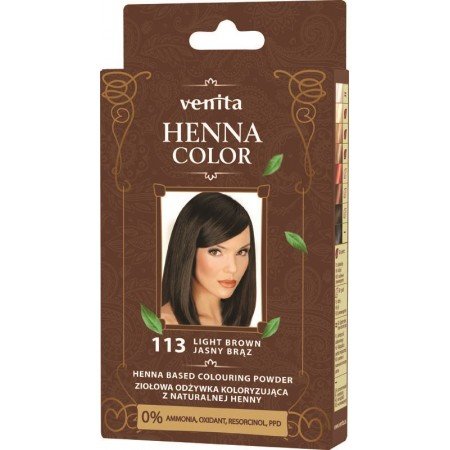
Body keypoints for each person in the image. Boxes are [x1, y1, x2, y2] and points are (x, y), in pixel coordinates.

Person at [161, 192, 256, 326]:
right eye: (216, 252)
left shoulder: (237, 320)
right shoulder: (165, 325)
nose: (233, 268)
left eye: (242, 252)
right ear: (188, 252)